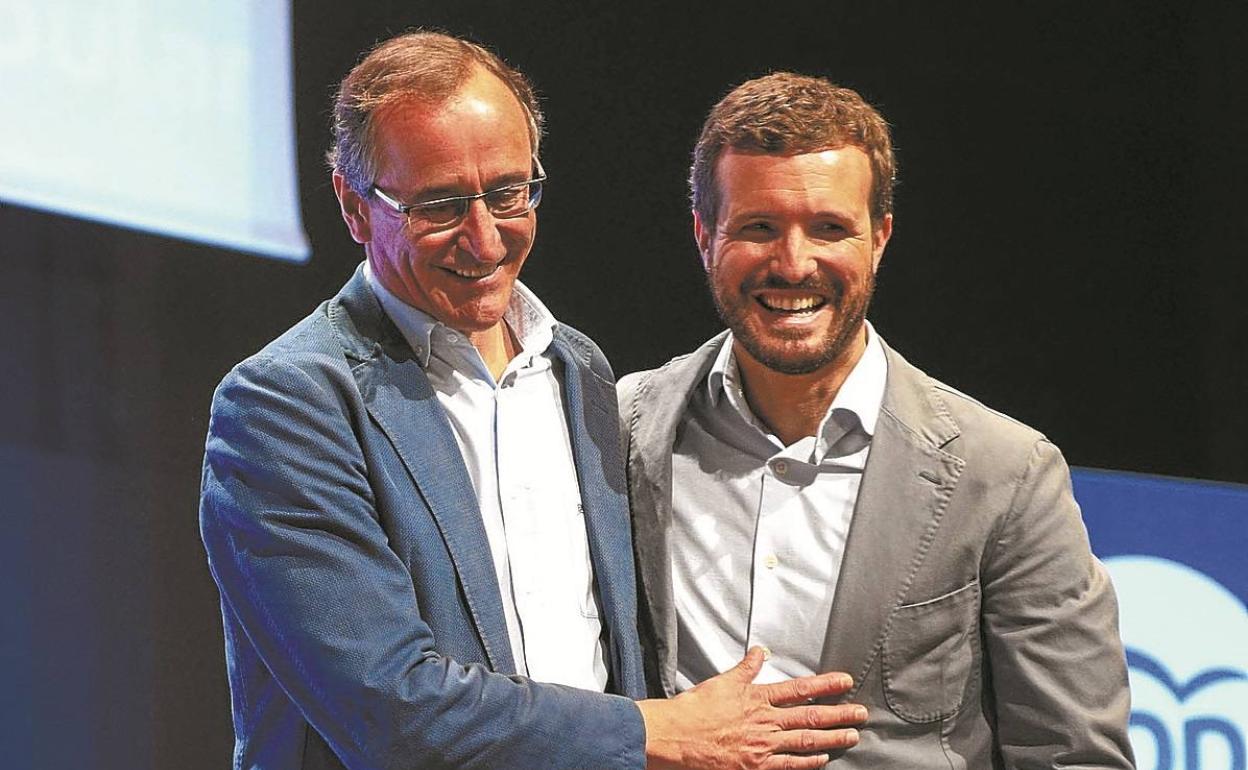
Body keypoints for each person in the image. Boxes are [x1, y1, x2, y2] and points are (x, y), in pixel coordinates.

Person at [200, 33, 865, 770]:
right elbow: (391, 712)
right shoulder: (285, 406)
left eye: (510, 193)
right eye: (442, 205)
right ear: (355, 207)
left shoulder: (577, 368)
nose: (485, 240)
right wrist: (656, 732)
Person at [618, 73, 1136, 768]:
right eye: (759, 227)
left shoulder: (1005, 473)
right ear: (705, 234)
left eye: (829, 228)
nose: (794, 263)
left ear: (880, 237)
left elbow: (1074, 755)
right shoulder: (622, 429)